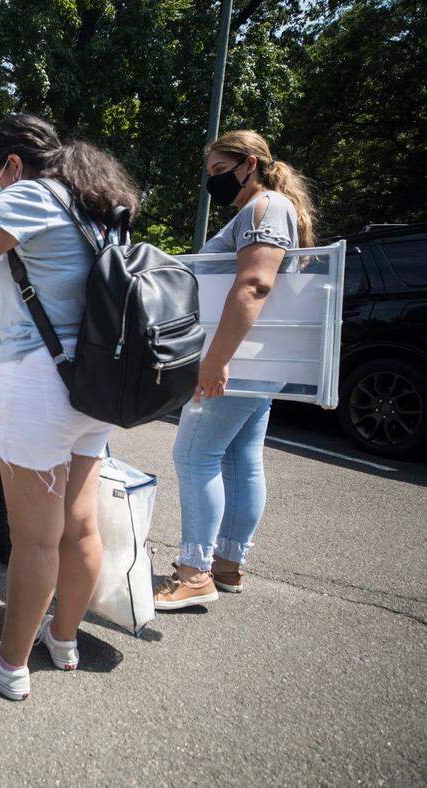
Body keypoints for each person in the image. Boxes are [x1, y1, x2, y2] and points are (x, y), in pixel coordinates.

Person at [0, 113, 141, 700]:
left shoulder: (31, 197)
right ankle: (64, 638)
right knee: (78, 524)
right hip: (95, 382)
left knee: (36, 538)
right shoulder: (91, 204)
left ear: (13, 166)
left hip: (43, 383)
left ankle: (9, 663)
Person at [154, 130, 316, 610]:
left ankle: (194, 572)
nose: (214, 182)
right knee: (240, 459)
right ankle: (226, 563)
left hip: (236, 360)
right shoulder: (272, 209)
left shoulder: (264, 209)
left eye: (220, 172)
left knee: (194, 456)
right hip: (255, 359)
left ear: (250, 164)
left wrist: (215, 361)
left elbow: (253, 286)